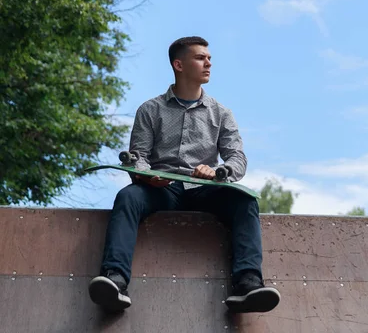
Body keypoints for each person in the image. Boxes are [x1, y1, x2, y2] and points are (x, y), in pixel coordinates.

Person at [88, 36, 280, 314]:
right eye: (201, 58)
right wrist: (147, 176)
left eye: (209, 58)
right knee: (128, 196)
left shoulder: (222, 113)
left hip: (205, 189)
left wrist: (217, 172)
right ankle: (115, 280)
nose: (208, 63)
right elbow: (138, 156)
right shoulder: (150, 110)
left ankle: (248, 285)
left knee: (244, 202)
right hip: (161, 189)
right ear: (179, 65)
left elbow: (237, 158)